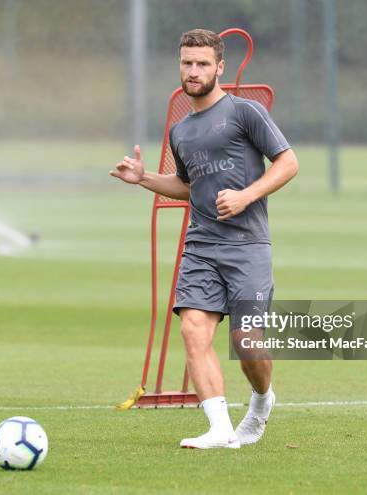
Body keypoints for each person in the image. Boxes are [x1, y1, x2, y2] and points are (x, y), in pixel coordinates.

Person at [110, 28, 298, 449]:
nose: (193, 71)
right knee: (194, 330)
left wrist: (248, 195)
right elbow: (186, 186)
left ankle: (262, 401)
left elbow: (288, 162)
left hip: (248, 245)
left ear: (220, 68)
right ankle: (219, 427)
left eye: (202, 64)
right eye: (187, 63)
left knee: (246, 343)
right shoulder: (180, 131)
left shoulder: (246, 112)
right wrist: (144, 179)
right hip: (200, 246)